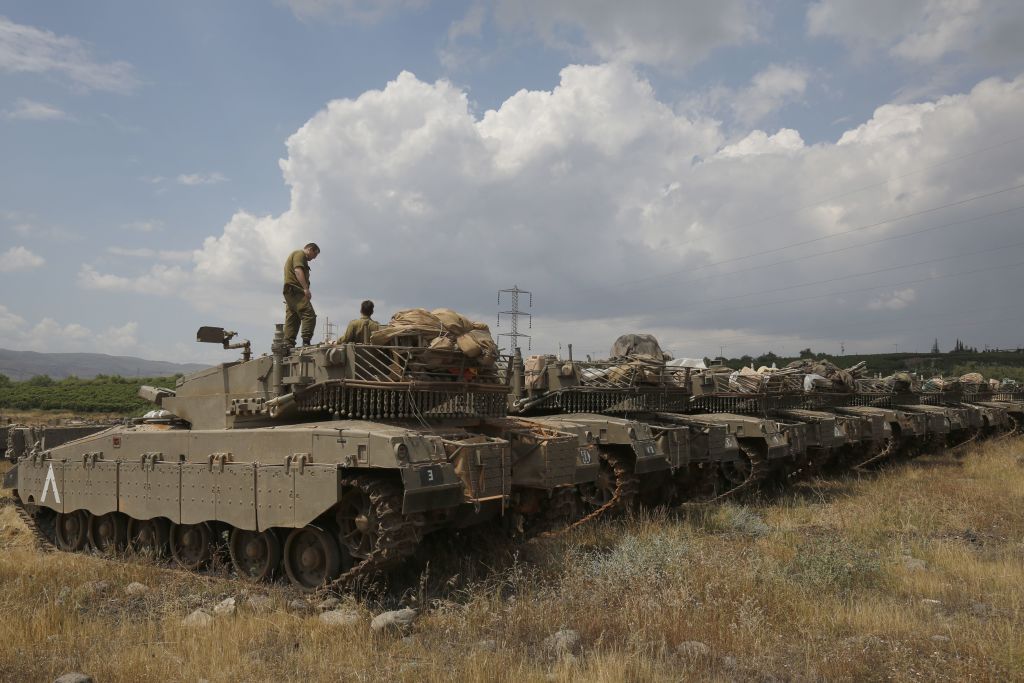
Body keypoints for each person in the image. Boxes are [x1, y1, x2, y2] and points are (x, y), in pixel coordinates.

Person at [283, 243, 320, 346]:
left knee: (293, 317)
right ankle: (306, 342)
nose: (313, 259)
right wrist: (305, 289)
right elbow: (298, 270)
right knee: (309, 314)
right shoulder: (300, 254)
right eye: (314, 255)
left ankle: (288, 344)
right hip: (295, 290)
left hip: (291, 292)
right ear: (310, 249)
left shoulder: (298, 255)